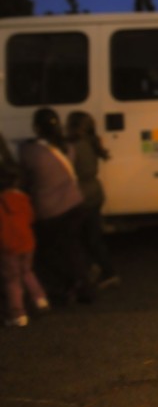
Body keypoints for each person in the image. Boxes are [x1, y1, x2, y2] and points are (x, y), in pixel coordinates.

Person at [17, 108, 95, 305]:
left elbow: (25, 178)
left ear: (36, 127)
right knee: (73, 248)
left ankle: (64, 288)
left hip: (50, 211)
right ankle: (84, 288)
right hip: (76, 205)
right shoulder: (67, 147)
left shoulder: (29, 151)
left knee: (48, 253)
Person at [66, 111, 119, 289]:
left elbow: (68, 170)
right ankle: (98, 268)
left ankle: (107, 271)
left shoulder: (74, 147)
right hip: (95, 191)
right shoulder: (91, 142)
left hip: (83, 194)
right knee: (91, 235)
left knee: (85, 237)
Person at [0, 166, 49, 327]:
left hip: (8, 246)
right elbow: (31, 217)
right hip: (28, 242)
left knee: (12, 280)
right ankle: (40, 299)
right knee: (27, 272)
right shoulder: (23, 198)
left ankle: (18, 314)